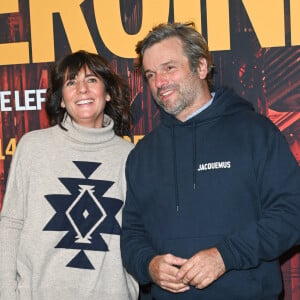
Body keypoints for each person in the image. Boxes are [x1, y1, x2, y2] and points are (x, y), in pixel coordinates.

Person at [120, 22, 300, 299]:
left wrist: (225, 256)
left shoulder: (255, 132)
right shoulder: (142, 154)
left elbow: (292, 214)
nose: (159, 82)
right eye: (151, 74)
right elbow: (132, 234)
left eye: (169, 67)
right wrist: (149, 264)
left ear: (201, 68)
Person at [0, 50, 138, 299]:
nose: (82, 89)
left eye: (92, 80)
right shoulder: (33, 147)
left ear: (107, 93)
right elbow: (11, 225)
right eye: (71, 82)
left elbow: (138, 233)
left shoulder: (129, 156)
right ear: (61, 99)